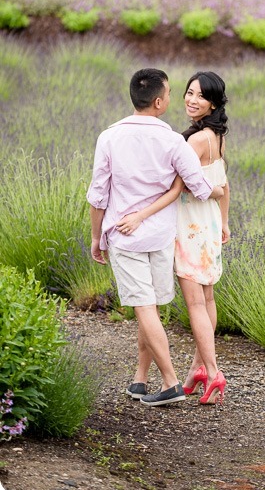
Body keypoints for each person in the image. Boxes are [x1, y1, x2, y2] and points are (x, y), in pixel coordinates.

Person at [87, 68, 225, 407]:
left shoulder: (109, 137)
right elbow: (197, 184)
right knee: (152, 308)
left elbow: (97, 196)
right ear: (160, 101)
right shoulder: (173, 140)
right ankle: (140, 378)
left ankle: (171, 382)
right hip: (162, 237)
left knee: (144, 308)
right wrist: (219, 190)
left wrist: (96, 238)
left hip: (125, 236)